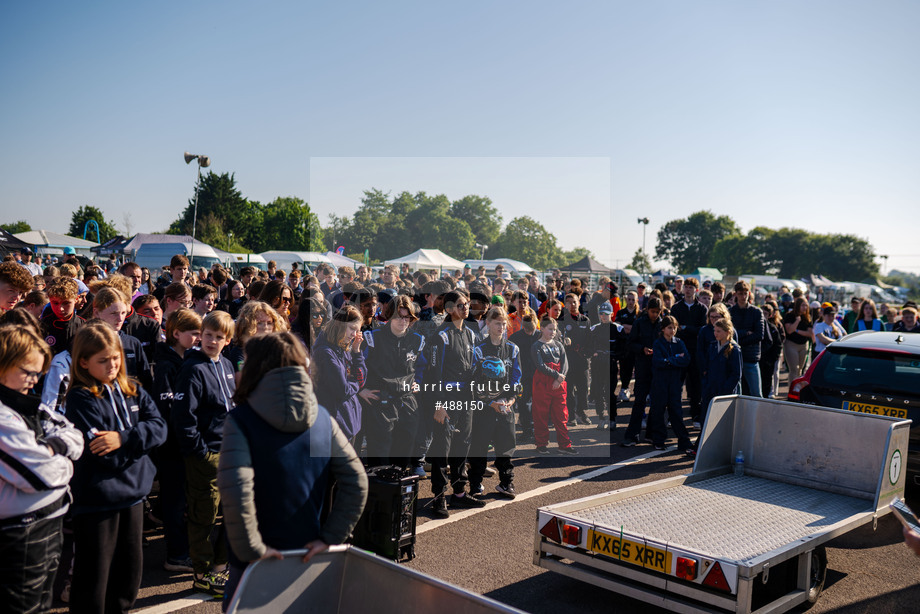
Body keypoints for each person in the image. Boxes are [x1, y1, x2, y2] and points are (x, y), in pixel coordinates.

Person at [217, 332, 368, 609]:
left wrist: (253, 550)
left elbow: (237, 490)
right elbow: (356, 480)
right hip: (308, 553)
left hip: (255, 565)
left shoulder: (241, 420)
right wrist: (331, 537)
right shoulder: (322, 419)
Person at [65, 321, 167, 613]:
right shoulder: (80, 397)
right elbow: (101, 453)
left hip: (134, 497)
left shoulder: (132, 388)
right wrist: (140, 445)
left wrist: (124, 438)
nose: (112, 364)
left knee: (128, 577)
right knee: (93, 581)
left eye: (116, 357)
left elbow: (160, 429)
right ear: (83, 362)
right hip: (97, 503)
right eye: (103, 360)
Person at [0, 325, 83, 614]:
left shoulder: (27, 405)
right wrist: (62, 457)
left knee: (42, 605)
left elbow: (74, 435)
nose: (34, 381)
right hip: (20, 537)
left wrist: (50, 449)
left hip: (49, 526)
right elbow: (39, 476)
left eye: (39, 373)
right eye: (28, 372)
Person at [170, 311, 237, 596]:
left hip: (231, 453)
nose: (211, 341)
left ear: (228, 340)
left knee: (232, 513)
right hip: (206, 455)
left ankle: (220, 568)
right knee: (204, 516)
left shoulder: (228, 365)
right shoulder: (193, 369)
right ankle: (202, 572)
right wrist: (199, 452)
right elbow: (183, 418)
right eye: (207, 334)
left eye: (218, 337)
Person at [152, 308, 202, 573]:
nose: (199, 337)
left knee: (183, 501)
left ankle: (182, 551)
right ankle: (177, 555)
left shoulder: (187, 360)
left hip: (184, 444)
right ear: (176, 333)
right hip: (173, 446)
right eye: (194, 333)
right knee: (175, 502)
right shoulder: (165, 365)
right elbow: (169, 408)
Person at [359, 295, 424, 468]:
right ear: (389, 316)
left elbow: (422, 366)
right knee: (380, 455)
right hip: (380, 401)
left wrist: (418, 381)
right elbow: (354, 365)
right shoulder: (371, 338)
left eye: (406, 317)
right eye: (398, 316)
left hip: (407, 401)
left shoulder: (417, 340)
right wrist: (361, 389)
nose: (403, 321)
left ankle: (398, 490)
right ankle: (379, 492)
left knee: (403, 454)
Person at [468, 306, 521, 499]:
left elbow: (517, 379)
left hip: (505, 407)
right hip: (485, 407)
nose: (501, 327)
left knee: (506, 446)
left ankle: (506, 483)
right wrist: (489, 402)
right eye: (497, 323)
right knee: (479, 446)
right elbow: (473, 382)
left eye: (503, 323)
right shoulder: (479, 350)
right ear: (488, 324)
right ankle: (475, 484)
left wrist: (510, 400)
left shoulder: (513, 349)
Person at [310, 305, 366, 445]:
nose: (354, 334)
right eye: (352, 329)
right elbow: (343, 390)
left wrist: (357, 351)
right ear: (339, 326)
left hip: (349, 421)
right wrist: (356, 383)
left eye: (357, 330)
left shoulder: (343, 346)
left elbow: (362, 377)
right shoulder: (325, 352)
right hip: (335, 424)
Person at [691, 317, 742, 453]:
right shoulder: (713, 346)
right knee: (705, 419)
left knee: (721, 423)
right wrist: (706, 384)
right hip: (710, 389)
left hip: (724, 391)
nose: (715, 333)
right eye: (714, 330)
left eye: (719, 331)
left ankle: (715, 451)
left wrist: (725, 390)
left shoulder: (734, 349)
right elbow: (707, 367)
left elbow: (736, 374)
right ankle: (701, 449)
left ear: (727, 332)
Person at [531, 315, 577, 456]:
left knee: (561, 415)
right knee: (541, 415)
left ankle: (564, 445)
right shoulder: (536, 346)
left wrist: (560, 378)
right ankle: (541, 444)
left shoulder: (558, 345)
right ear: (542, 328)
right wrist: (557, 376)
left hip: (559, 384)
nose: (553, 332)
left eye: (555, 330)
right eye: (550, 329)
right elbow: (540, 365)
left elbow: (565, 363)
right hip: (542, 383)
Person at [622, 297, 664, 447]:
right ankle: (632, 434)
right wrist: (642, 349)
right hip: (642, 367)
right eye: (653, 312)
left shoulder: (663, 323)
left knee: (657, 402)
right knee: (639, 401)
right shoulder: (639, 323)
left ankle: (652, 433)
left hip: (658, 367)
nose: (655, 315)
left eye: (658, 312)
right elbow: (630, 343)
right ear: (647, 310)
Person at [648, 316, 692, 452]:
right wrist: (674, 359)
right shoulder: (658, 343)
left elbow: (686, 359)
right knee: (658, 410)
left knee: (676, 411)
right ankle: (659, 440)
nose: (673, 330)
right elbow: (658, 362)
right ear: (663, 329)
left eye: (674, 327)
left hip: (674, 382)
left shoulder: (679, 342)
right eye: (669, 327)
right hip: (660, 382)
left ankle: (684, 441)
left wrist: (668, 360)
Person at [508, 307, 540, 443]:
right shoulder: (515, 338)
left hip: (540, 375)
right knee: (524, 404)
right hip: (522, 376)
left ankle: (538, 431)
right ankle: (528, 430)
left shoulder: (540, 336)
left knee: (539, 404)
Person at [728, 281, 764, 397]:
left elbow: (759, 335)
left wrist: (739, 340)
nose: (743, 296)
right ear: (736, 294)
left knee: (756, 394)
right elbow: (729, 334)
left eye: (745, 293)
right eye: (740, 293)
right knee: (736, 394)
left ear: (749, 294)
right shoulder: (731, 312)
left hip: (751, 357)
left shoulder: (756, 312)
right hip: (734, 357)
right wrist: (745, 333)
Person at [41, 276, 85, 357]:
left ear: (76, 299)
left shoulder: (84, 327)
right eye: (55, 303)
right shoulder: (41, 327)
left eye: (66, 303)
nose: (60, 309)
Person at [783, 297, 814, 388]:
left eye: (806, 305)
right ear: (798, 306)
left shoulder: (808, 317)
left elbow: (809, 333)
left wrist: (796, 330)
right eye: (803, 305)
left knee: (800, 370)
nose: (805, 308)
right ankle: (791, 390)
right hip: (791, 344)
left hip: (803, 345)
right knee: (794, 369)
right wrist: (797, 321)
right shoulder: (790, 315)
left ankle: (797, 390)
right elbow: (789, 330)